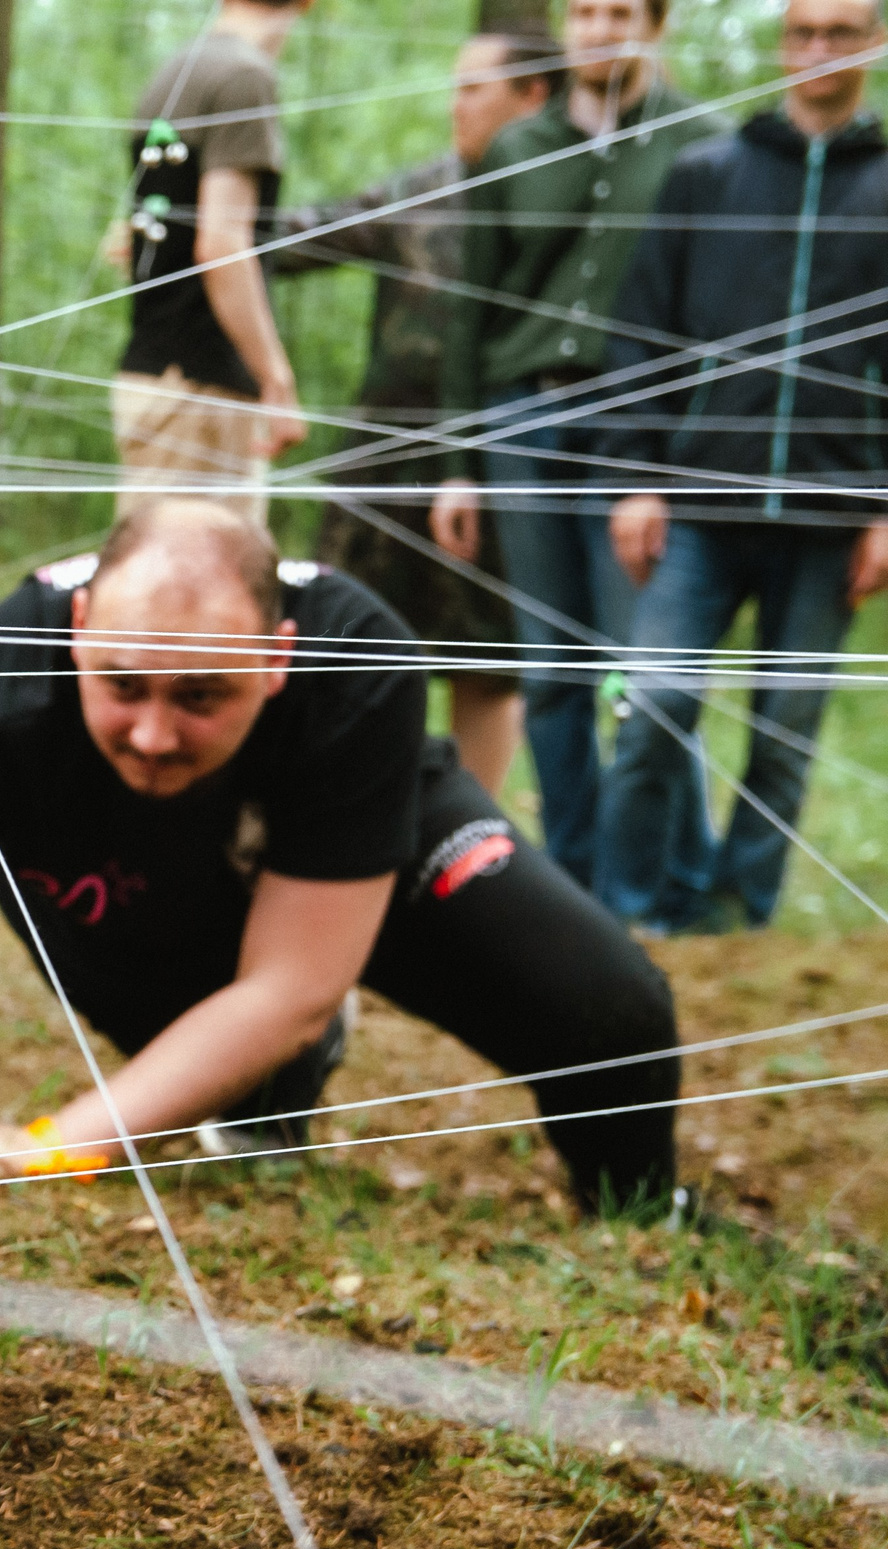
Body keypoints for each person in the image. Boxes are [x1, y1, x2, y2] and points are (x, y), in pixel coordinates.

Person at [0, 502, 682, 1224]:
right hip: (127, 878)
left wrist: (47, 1153)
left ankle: (639, 1216)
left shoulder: (357, 660)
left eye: (201, 695)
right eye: (123, 687)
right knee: (252, 1073)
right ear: (80, 629)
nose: (155, 736)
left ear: (277, 657)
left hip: (361, 837)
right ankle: (264, 1093)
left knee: (609, 1011)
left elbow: (291, 990)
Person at [593, 0, 888, 934]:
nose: (817, 51)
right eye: (802, 32)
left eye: (840, 33)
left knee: (786, 737)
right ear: (781, 43)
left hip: (833, 514)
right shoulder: (706, 176)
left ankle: (739, 914)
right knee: (655, 706)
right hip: (699, 505)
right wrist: (636, 475)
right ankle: (631, 913)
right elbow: (645, 338)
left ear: (874, 44)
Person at [432, 0, 726, 891]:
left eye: (621, 11)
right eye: (586, 11)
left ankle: (671, 871)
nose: (602, 28)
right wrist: (458, 464)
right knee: (554, 670)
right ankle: (577, 877)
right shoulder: (516, 149)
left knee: (643, 670)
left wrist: (683, 459)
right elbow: (468, 312)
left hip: (640, 431)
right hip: (520, 417)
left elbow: (712, 311)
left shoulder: (701, 146)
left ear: (656, 24)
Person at [269, 33, 560, 796]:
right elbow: (307, 233)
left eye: (473, 89)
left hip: (491, 460)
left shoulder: (559, 200)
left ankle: (476, 830)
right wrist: (195, 232)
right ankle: (340, 809)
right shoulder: (424, 188)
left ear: (532, 96)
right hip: (382, 458)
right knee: (344, 636)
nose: (453, 104)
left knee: (486, 659)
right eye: (455, 87)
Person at [113, 0, 315, 524]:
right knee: (204, 589)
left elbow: (128, 238)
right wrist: (276, 379)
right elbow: (221, 244)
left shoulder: (173, 74)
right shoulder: (244, 77)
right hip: (201, 392)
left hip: (152, 380)